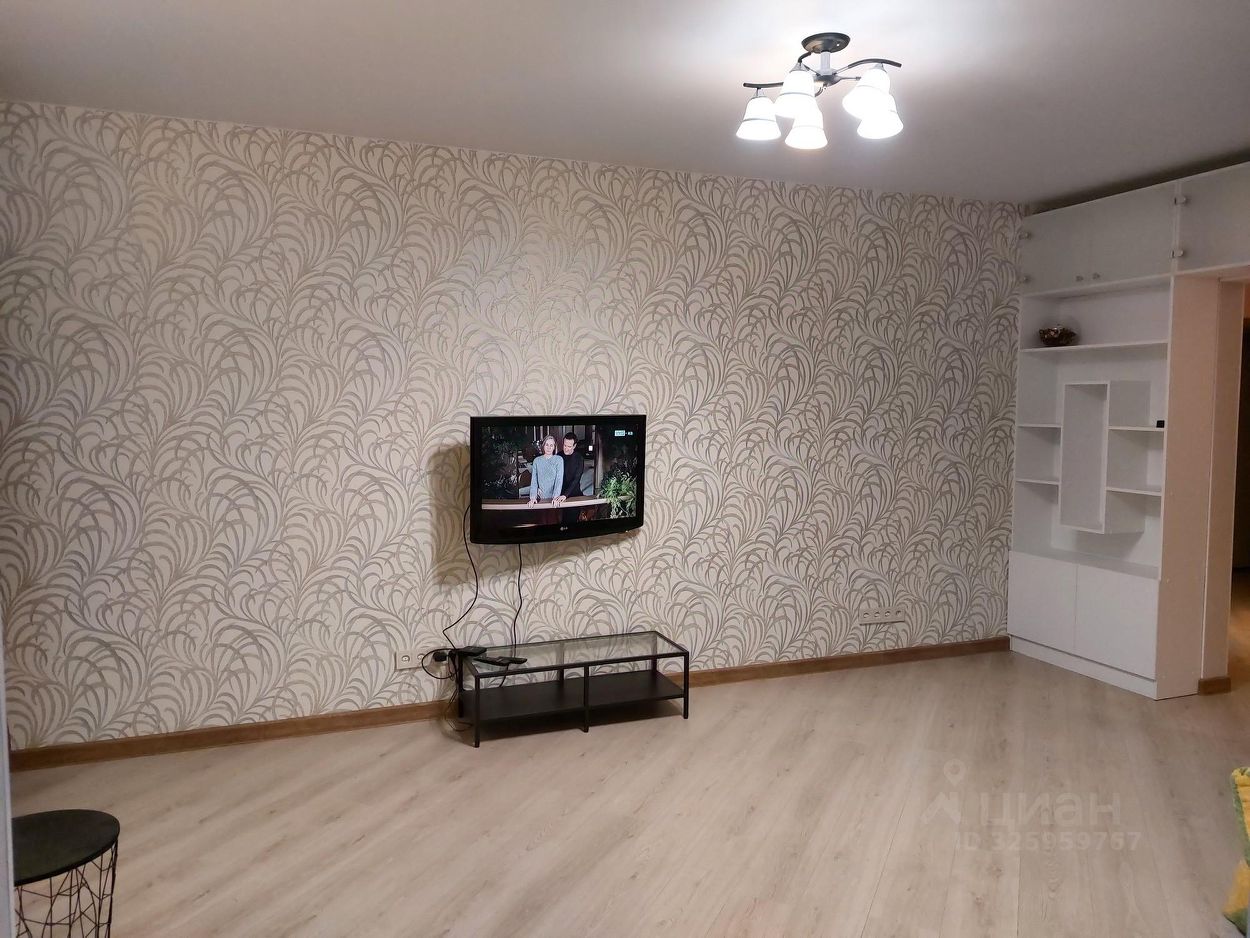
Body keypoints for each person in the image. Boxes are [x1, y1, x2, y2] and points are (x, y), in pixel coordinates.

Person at [553, 432, 584, 524]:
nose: (566, 448)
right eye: (565, 445)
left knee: (571, 521)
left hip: (574, 493)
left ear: (574, 446)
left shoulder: (579, 458)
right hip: (559, 494)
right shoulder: (558, 456)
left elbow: (576, 479)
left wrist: (565, 495)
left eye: (569, 446)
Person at [528, 435, 563, 504]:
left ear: (554, 447)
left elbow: (559, 480)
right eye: (547, 445)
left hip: (554, 500)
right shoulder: (537, 461)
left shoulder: (559, 460)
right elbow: (534, 481)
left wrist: (555, 497)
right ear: (543, 446)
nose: (549, 448)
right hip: (540, 499)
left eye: (551, 445)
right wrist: (533, 497)